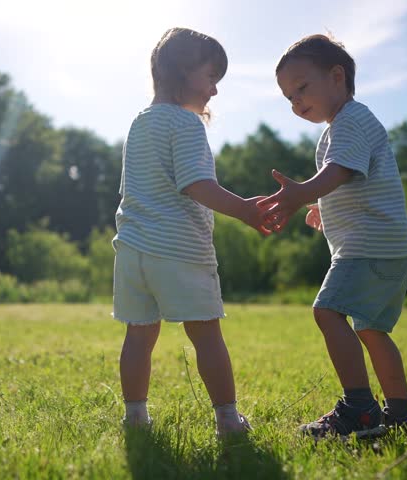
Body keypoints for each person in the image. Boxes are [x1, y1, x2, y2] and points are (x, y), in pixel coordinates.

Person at [258, 34, 407, 438]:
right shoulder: (346, 126)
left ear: (336, 77)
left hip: (368, 247)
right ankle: (401, 414)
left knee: (327, 311)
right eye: (288, 97)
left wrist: (301, 193)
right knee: (369, 328)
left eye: (301, 88)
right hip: (390, 248)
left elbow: (339, 172)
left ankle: (359, 410)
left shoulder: (351, 119)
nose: (295, 102)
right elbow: (347, 179)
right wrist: (323, 208)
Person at [113, 27, 268, 436]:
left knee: (138, 336)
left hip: (132, 249)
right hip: (178, 249)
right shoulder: (185, 124)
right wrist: (246, 210)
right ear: (183, 71)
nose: (214, 91)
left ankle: (135, 417)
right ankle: (228, 420)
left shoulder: (138, 123)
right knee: (207, 335)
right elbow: (196, 185)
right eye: (211, 78)